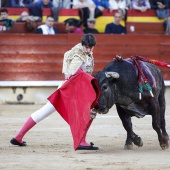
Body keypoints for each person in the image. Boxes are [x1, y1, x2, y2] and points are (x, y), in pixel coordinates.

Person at [10, 33, 99, 150]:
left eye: (90, 47)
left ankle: (18, 137)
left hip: (69, 88)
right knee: (87, 112)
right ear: (82, 45)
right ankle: (81, 141)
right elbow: (71, 73)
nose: (87, 50)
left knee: (46, 111)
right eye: (86, 47)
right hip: (70, 90)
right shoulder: (78, 55)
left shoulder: (80, 51)